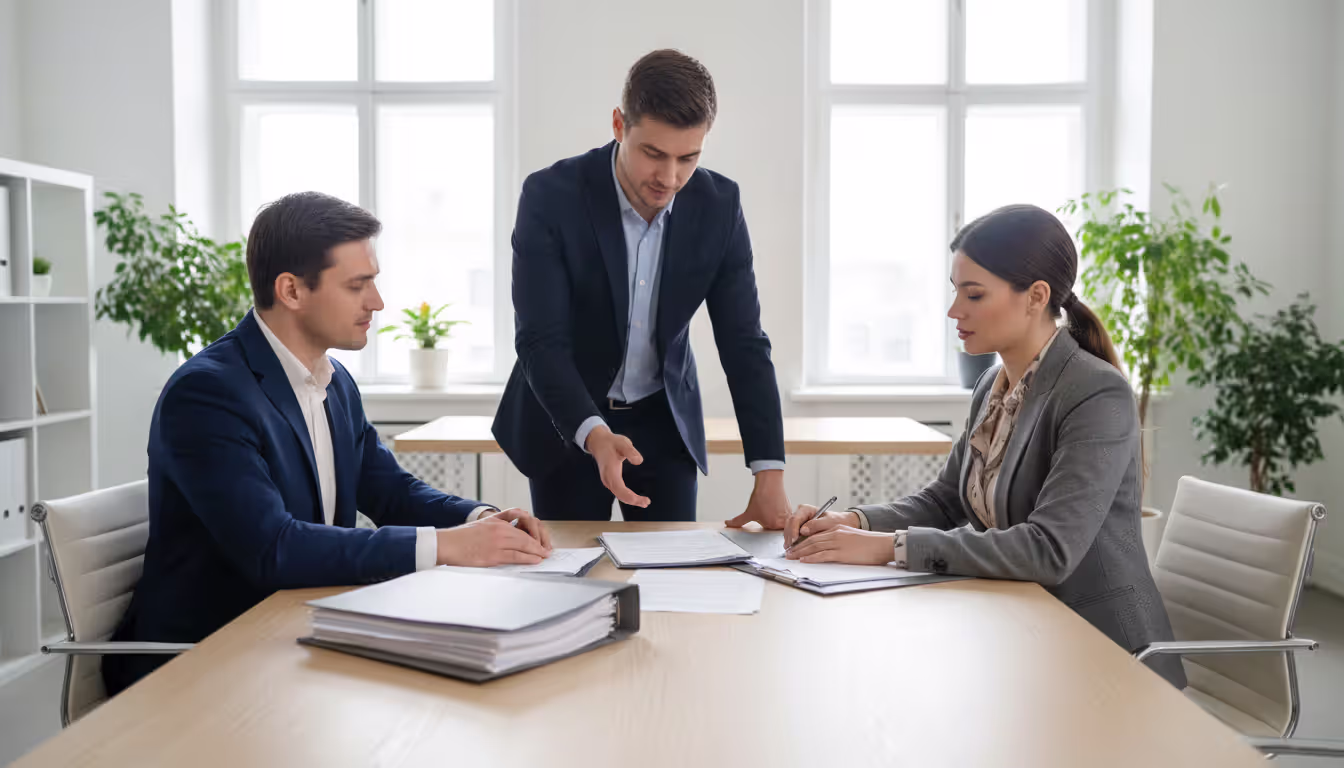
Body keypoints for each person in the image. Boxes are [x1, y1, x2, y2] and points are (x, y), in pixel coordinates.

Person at [105, 192, 551, 695]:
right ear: (292, 290)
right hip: (207, 660)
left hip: (295, 635)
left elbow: (389, 491)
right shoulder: (208, 394)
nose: (377, 303)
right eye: (358, 285)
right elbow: (272, 548)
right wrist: (448, 547)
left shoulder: (334, 380)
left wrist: (479, 521)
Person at [783, 204, 1186, 689]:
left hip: (1101, 658)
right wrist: (853, 522)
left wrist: (885, 548)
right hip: (1021, 633)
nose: (955, 311)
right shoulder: (994, 384)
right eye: (956, 292)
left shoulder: (1095, 393)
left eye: (974, 295)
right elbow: (947, 499)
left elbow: (1049, 550)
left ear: (1036, 296)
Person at [493, 49, 790, 526]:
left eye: (688, 157)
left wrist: (769, 473)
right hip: (567, 418)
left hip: (663, 421)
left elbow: (744, 343)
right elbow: (539, 340)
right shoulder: (551, 196)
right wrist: (592, 432)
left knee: (670, 579)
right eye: (653, 154)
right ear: (618, 125)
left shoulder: (719, 206)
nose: (669, 178)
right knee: (573, 580)